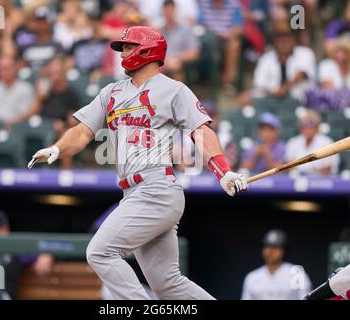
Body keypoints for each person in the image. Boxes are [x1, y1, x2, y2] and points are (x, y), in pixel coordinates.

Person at [28, 25, 247, 300]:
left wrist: (222, 172)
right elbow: (84, 131)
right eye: (123, 48)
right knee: (168, 285)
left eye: (129, 47)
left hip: (155, 187)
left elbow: (200, 131)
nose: (123, 54)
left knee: (100, 251)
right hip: (134, 192)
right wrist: (57, 149)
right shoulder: (112, 92)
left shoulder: (174, 90)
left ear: (148, 50)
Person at [239, 27, 316, 106]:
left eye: (287, 36)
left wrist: (283, 89)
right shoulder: (266, 58)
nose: (283, 40)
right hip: (271, 100)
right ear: (274, 40)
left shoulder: (305, 53)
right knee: (245, 98)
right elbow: (258, 85)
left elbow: (301, 75)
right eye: (279, 37)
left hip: (299, 101)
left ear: (294, 39)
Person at [241, 229, 312, 300]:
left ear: (283, 250)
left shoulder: (297, 274)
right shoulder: (252, 277)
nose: (269, 251)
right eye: (266, 247)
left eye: (275, 247)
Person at [198, 0, 243, 88]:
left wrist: (227, 34)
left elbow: (238, 28)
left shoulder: (234, 4)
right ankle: (207, 77)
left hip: (227, 39)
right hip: (208, 39)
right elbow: (200, 25)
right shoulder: (204, 3)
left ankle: (227, 81)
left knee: (234, 44)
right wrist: (218, 33)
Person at [0, 56, 35, 125]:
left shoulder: (26, 88)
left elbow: (25, 114)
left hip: (17, 126)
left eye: (6, 69)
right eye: (0, 69)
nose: (3, 72)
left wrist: (9, 124)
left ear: (15, 69)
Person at [285, 110, 340, 176]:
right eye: (304, 125)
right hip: (297, 180)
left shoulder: (327, 142)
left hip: (320, 181)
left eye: (310, 124)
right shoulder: (293, 142)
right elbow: (289, 166)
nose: (307, 129)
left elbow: (328, 168)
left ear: (317, 127)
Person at [160, 0, 200, 82]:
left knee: (175, 66)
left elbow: (194, 52)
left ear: (175, 10)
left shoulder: (185, 29)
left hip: (177, 63)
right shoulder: (159, 30)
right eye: (166, 10)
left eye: (170, 10)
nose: (168, 13)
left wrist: (177, 57)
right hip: (161, 64)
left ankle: (178, 94)